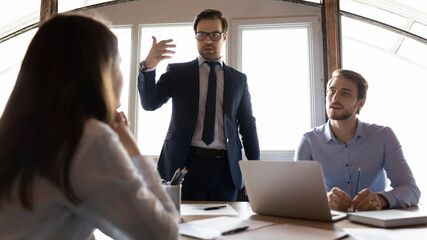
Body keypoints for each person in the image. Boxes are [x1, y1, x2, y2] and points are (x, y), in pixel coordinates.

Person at [0, 14, 178, 239]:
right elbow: (163, 234)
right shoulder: (88, 139)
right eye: (119, 64)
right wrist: (132, 147)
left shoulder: (14, 133)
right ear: (99, 72)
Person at [137, 9, 260, 201]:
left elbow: (248, 126)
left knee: (224, 227)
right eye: (201, 35)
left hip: (225, 169)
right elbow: (149, 103)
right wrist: (148, 66)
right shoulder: (178, 73)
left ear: (224, 36)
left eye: (214, 35)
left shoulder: (238, 80)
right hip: (185, 166)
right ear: (195, 37)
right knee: (183, 227)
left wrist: (256, 172)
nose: (208, 40)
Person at [294, 69, 420, 212]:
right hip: (328, 222)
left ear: (361, 103)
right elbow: (297, 193)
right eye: (332, 91)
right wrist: (323, 199)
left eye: (345, 93)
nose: (335, 98)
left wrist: (381, 199)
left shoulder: (383, 136)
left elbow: (411, 190)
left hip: (374, 222)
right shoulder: (309, 140)